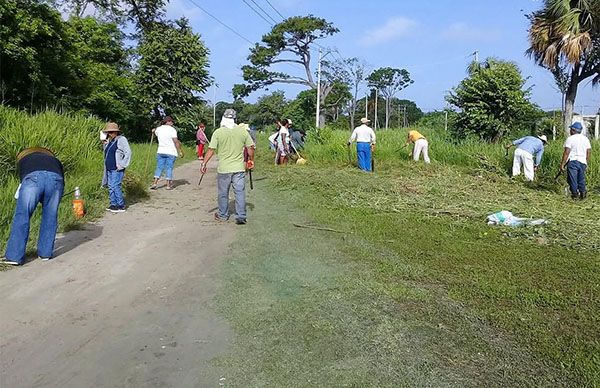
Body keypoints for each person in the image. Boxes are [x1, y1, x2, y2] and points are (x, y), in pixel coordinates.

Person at [2, 148, 64, 265]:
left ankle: (14, 256)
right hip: (56, 179)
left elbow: (23, 181)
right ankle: (45, 253)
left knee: (23, 214)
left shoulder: (24, 160)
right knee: (50, 215)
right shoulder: (54, 160)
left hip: (33, 178)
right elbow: (61, 179)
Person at [201, 109, 254, 225]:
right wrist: (251, 159)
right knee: (239, 192)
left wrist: (204, 163)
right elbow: (250, 147)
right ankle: (241, 216)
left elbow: (211, 150)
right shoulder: (243, 132)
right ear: (235, 118)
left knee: (223, 193)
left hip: (224, 169)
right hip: (239, 168)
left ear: (223, 118)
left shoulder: (218, 132)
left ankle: (223, 215)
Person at [101, 122, 132, 213]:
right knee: (111, 186)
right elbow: (107, 153)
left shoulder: (121, 139)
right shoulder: (110, 142)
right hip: (109, 168)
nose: (109, 134)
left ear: (116, 132)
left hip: (116, 168)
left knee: (115, 186)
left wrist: (122, 164)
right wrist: (104, 143)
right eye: (108, 132)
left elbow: (128, 152)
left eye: (111, 132)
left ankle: (121, 205)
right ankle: (113, 204)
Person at [151, 116, 184, 190]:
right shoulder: (172, 130)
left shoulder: (159, 129)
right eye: (171, 121)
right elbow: (175, 141)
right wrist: (180, 151)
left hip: (161, 151)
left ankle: (155, 183)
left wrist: (153, 130)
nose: (172, 123)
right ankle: (168, 185)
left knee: (159, 167)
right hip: (171, 152)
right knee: (169, 168)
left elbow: (154, 131)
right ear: (167, 122)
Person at [560, 122, 592, 199]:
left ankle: (575, 195)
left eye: (571, 129)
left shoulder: (570, 139)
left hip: (573, 161)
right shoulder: (586, 139)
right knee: (581, 178)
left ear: (573, 130)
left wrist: (562, 164)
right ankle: (583, 194)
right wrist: (586, 162)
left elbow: (567, 152)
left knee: (573, 179)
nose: (570, 131)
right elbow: (588, 152)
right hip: (582, 161)